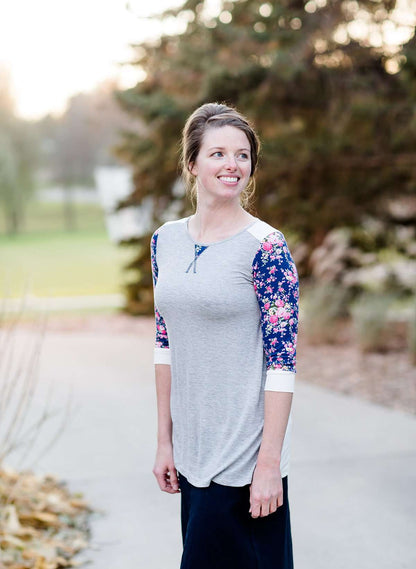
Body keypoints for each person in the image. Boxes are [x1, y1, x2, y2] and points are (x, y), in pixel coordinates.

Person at [150, 102, 299, 569]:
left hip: (242, 461)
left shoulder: (267, 248)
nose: (232, 165)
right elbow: (164, 344)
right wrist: (164, 441)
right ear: (192, 164)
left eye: (242, 155)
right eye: (217, 154)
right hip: (191, 456)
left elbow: (282, 364)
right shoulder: (164, 241)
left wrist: (269, 465)